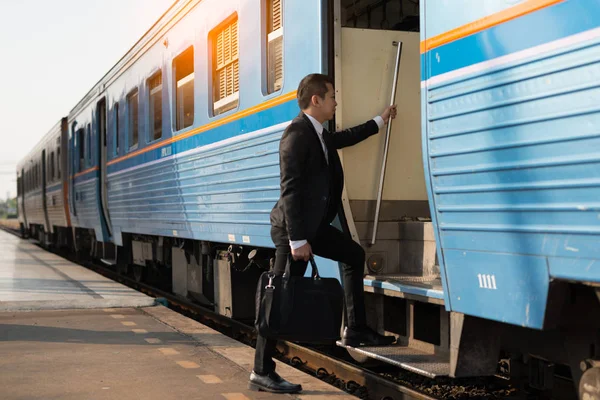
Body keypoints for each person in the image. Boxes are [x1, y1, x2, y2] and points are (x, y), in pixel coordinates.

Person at [248, 73, 397, 394]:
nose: (336, 101)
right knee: (280, 297)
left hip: (312, 227)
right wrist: (298, 240)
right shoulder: (296, 136)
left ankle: (355, 329)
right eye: (332, 96)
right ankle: (261, 370)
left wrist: (380, 120)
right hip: (293, 230)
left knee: (353, 255)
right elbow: (290, 190)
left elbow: (345, 137)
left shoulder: (318, 133)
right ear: (316, 100)